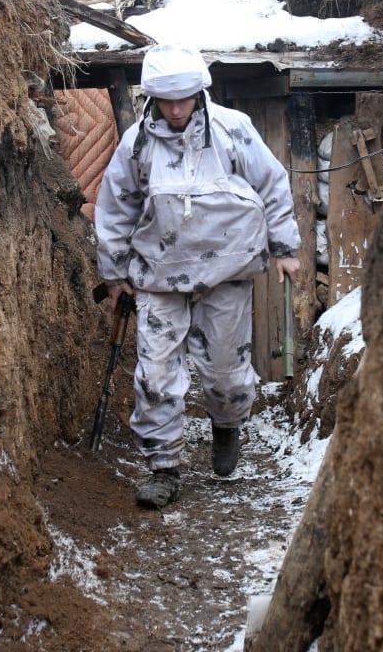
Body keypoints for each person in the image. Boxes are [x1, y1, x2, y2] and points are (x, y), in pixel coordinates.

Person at [94, 42, 301, 508]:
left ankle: (227, 425)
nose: (174, 109)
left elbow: (272, 183)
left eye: (183, 98)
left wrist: (285, 247)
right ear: (151, 98)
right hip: (158, 277)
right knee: (157, 374)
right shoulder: (137, 144)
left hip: (226, 271)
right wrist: (113, 273)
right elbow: (115, 206)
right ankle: (163, 466)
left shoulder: (234, 130)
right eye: (165, 101)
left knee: (226, 373)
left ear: (198, 93)